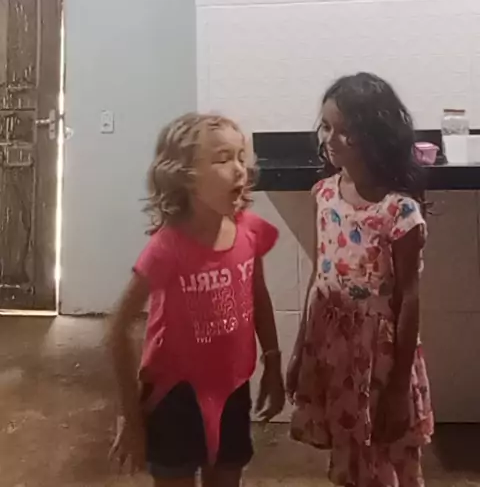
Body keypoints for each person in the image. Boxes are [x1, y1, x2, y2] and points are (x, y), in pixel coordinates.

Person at [109, 112, 285, 487]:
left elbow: (258, 294)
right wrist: (131, 417)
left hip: (233, 389)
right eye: (222, 159)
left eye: (241, 157)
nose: (239, 169)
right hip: (175, 397)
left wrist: (272, 362)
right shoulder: (167, 248)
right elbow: (117, 328)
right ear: (185, 176)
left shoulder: (249, 231)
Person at [287, 73, 433, 487]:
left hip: (380, 361)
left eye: (344, 131)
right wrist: (300, 350)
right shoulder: (323, 195)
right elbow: (319, 275)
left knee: (385, 457)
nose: (330, 139)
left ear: (374, 135)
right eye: (326, 126)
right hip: (332, 350)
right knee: (349, 457)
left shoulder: (399, 211)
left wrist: (399, 387)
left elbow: (408, 299)